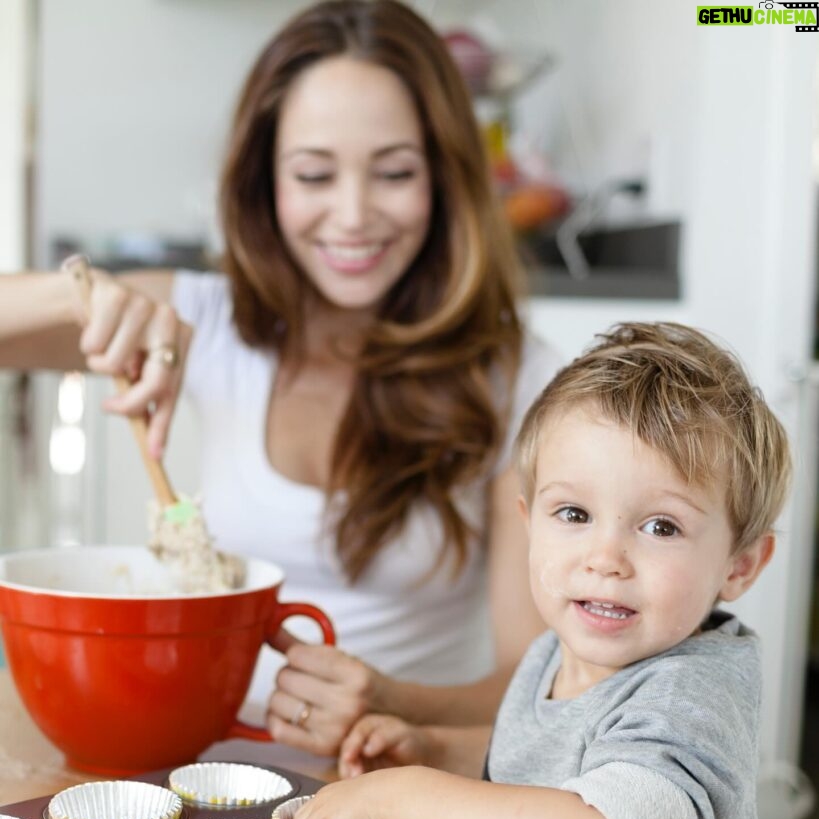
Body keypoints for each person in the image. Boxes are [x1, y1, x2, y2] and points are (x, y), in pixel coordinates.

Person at [0, 0, 559, 757]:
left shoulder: (516, 377)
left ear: (445, 178)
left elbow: (541, 685)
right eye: (314, 174)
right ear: (265, 182)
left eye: (393, 172)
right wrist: (78, 292)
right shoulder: (210, 322)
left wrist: (391, 702)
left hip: (402, 796)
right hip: (208, 776)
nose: (353, 215)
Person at [292, 321, 791, 819]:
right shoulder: (556, 652)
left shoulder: (688, 695)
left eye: (660, 527)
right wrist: (441, 752)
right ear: (529, 523)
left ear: (739, 564)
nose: (605, 557)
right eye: (573, 514)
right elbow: (553, 765)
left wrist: (402, 795)